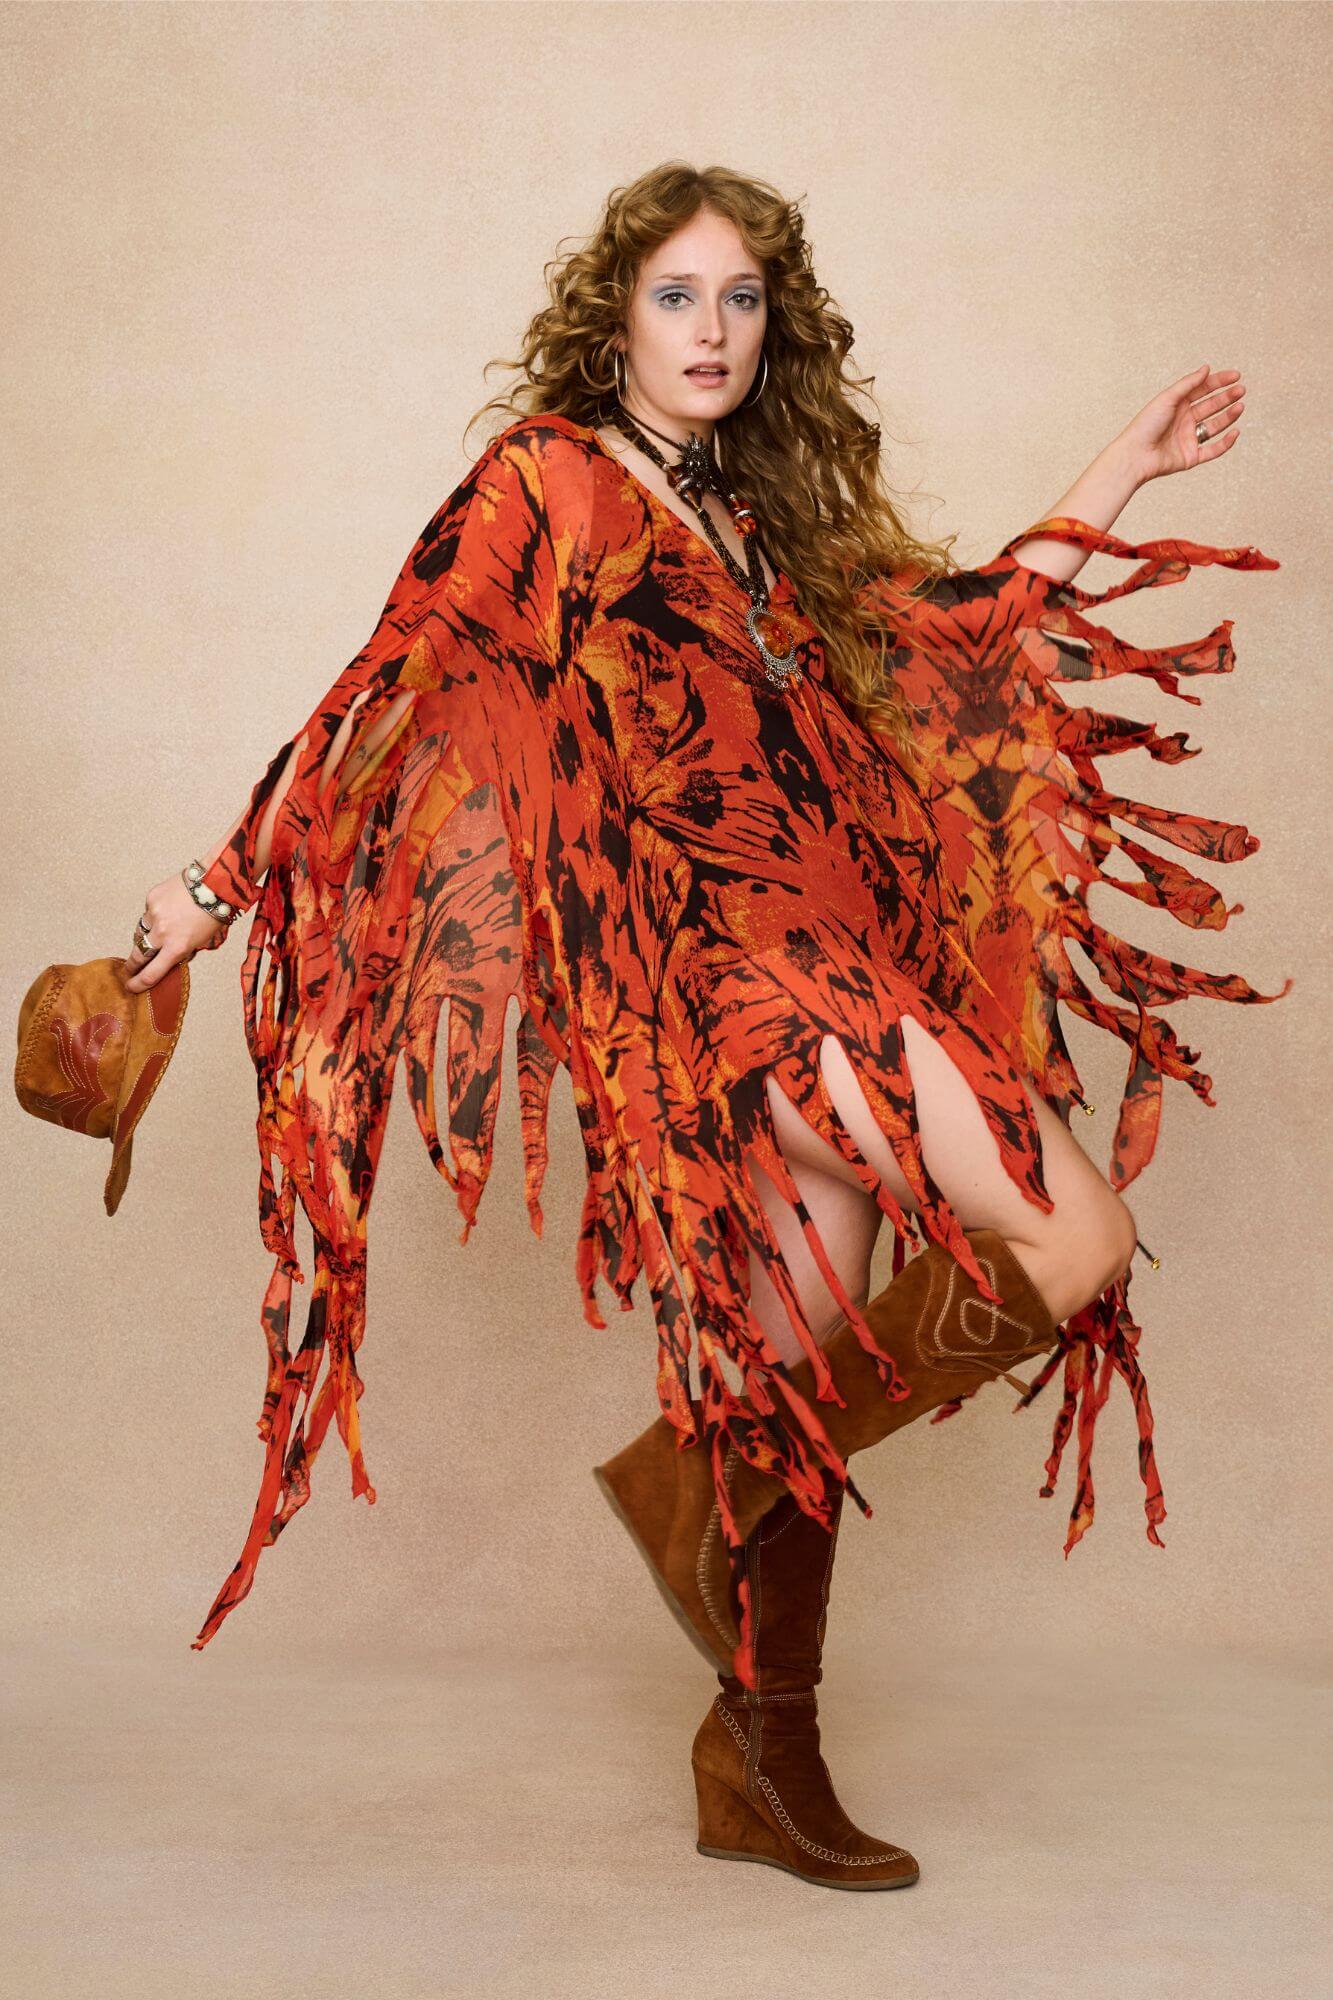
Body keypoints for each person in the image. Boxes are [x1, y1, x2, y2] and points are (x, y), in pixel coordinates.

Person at [120, 162, 1285, 1890]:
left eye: (741, 298)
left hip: (836, 958)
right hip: (723, 984)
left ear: (774, 325)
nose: (711, 331)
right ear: (613, 317)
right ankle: (696, 1479)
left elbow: (955, 644)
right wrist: (214, 897)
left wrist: (1119, 468)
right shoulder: (553, 483)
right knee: (1070, 1234)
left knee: (783, 1366)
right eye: (677, 295)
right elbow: (392, 682)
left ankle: (762, 1756)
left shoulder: (755, 519)